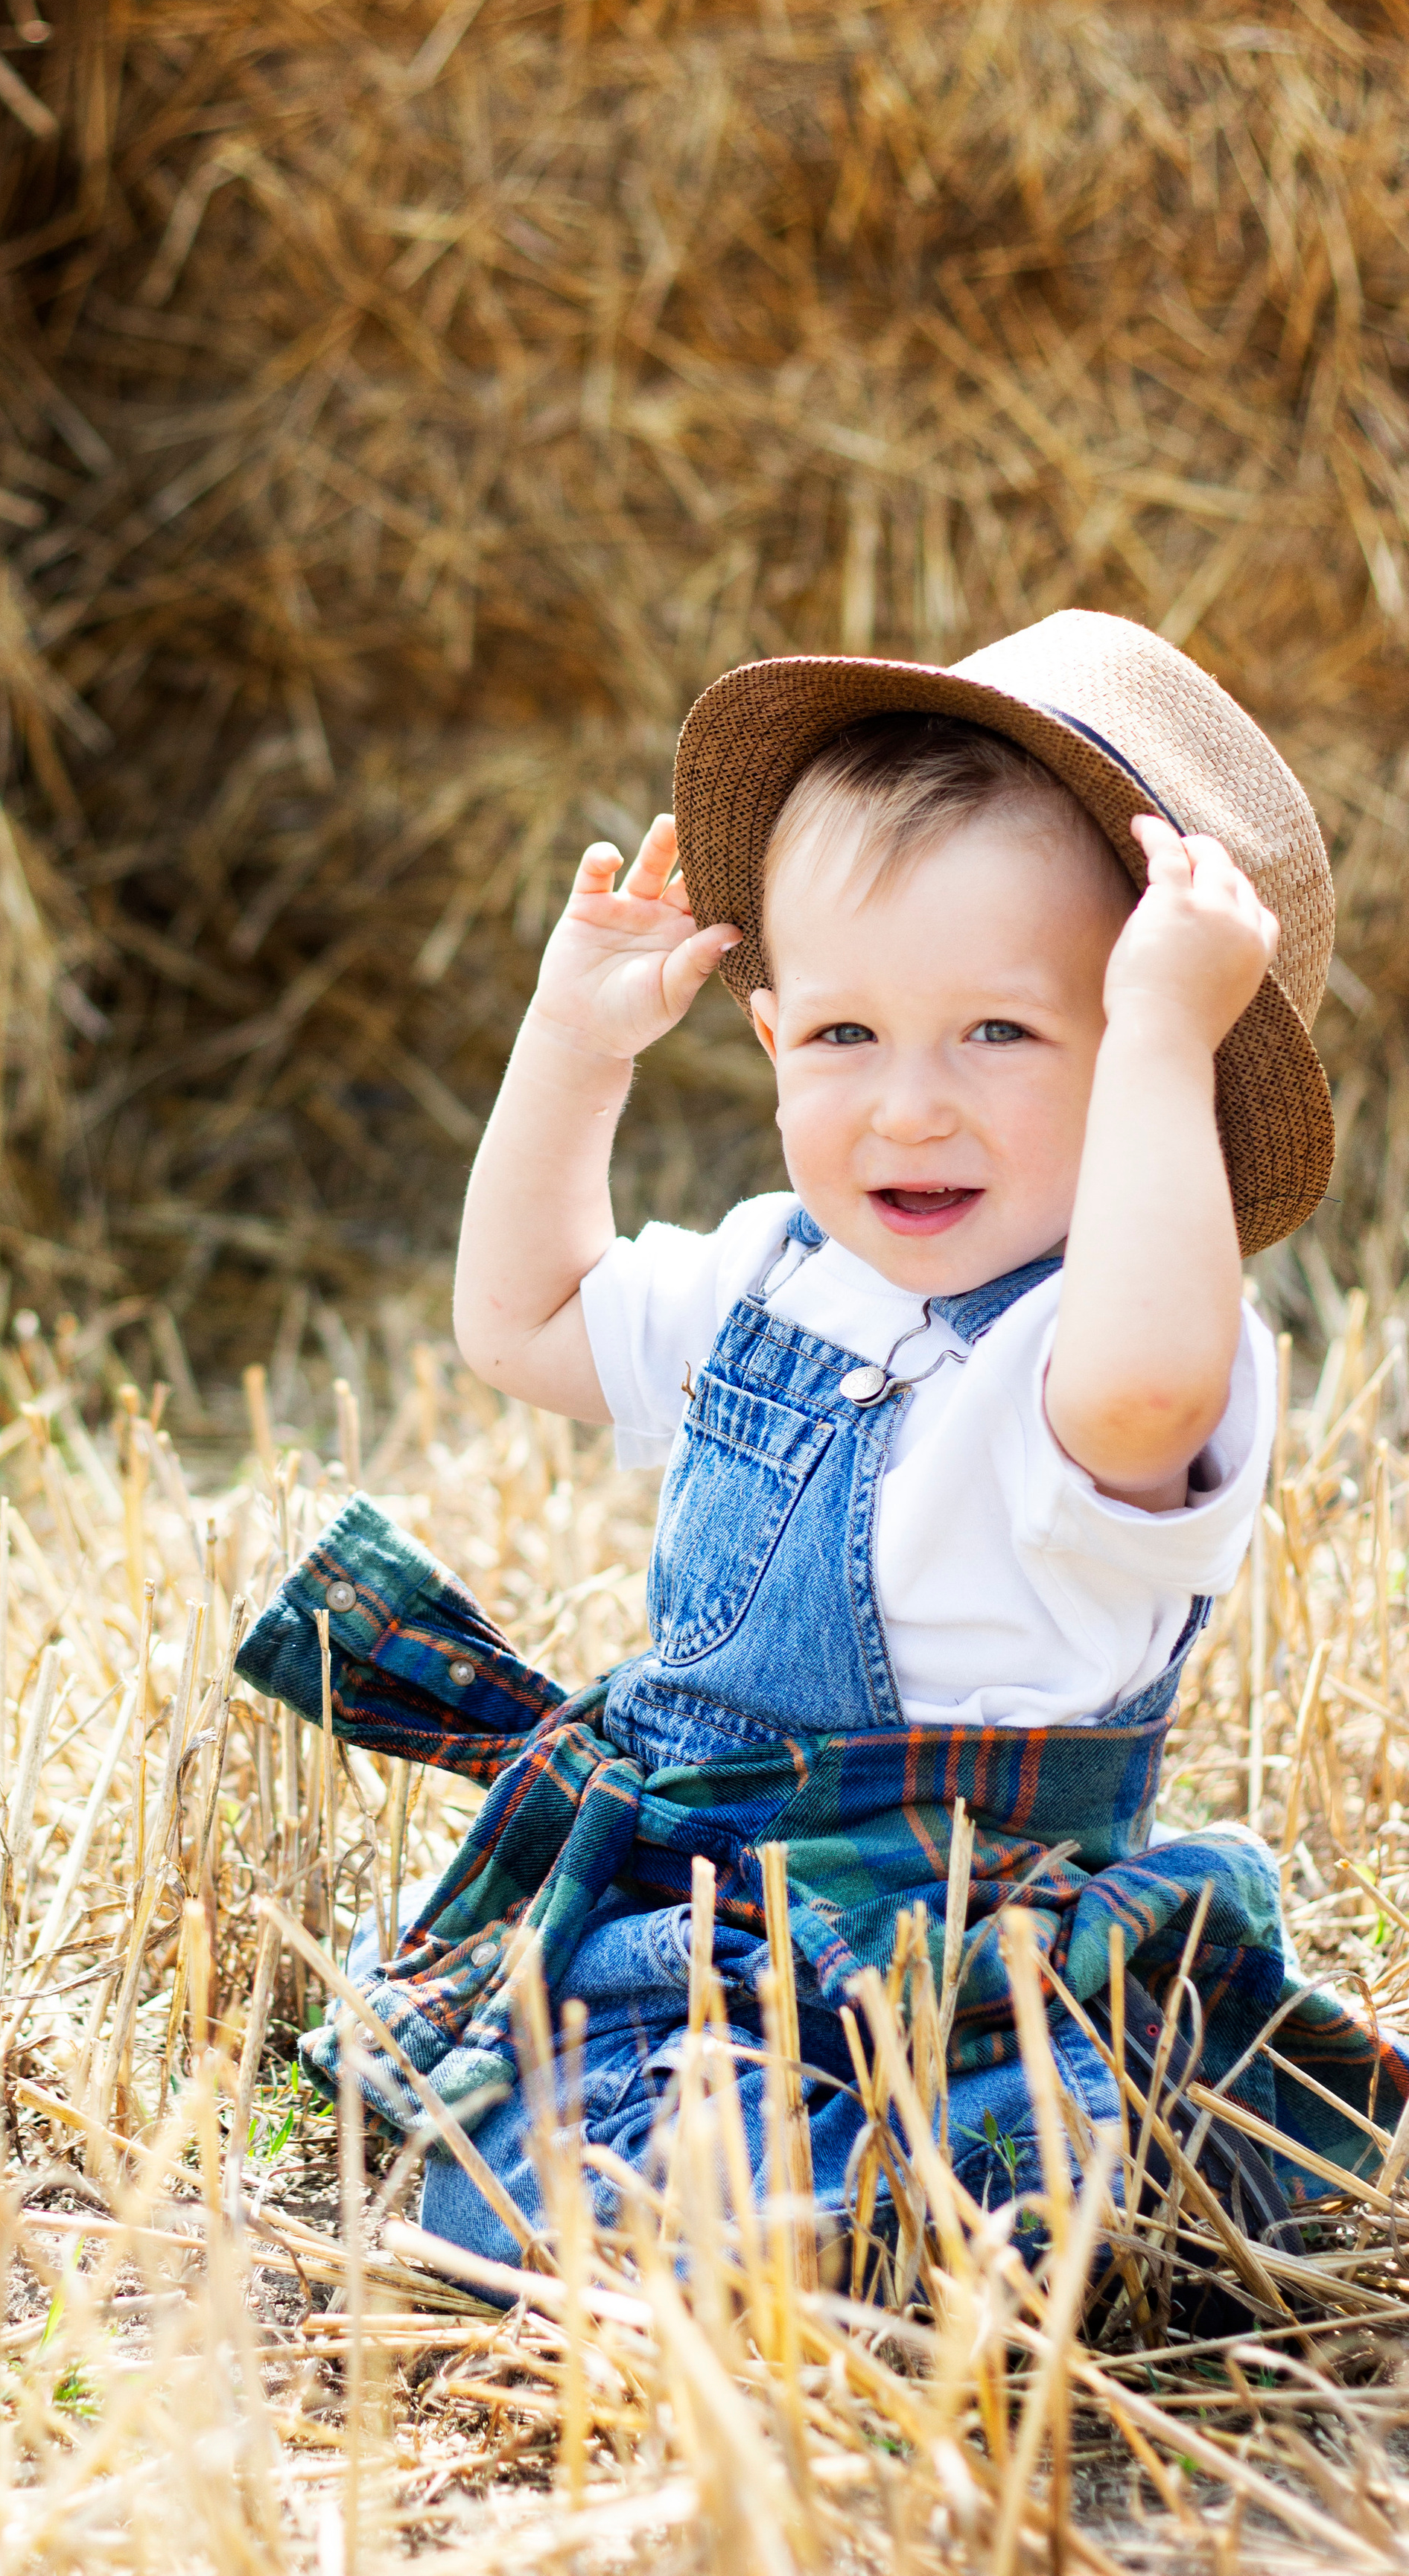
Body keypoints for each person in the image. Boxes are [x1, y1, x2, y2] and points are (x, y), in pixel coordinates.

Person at [238, 609, 1405, 2284]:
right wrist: (573, 1048)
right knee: (518, 2140)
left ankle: (889, 2246)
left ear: (1164, 1079)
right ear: (774, 1039)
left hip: (957, 1961)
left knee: (931, 2175)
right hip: (705, 1929)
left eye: (1000, 1034)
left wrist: (1162, 1026)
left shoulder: (1110, 1353)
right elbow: (519, 1321)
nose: (905, 1108)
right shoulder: (774, 1275)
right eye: (845, 1035)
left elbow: (1141, 1393)